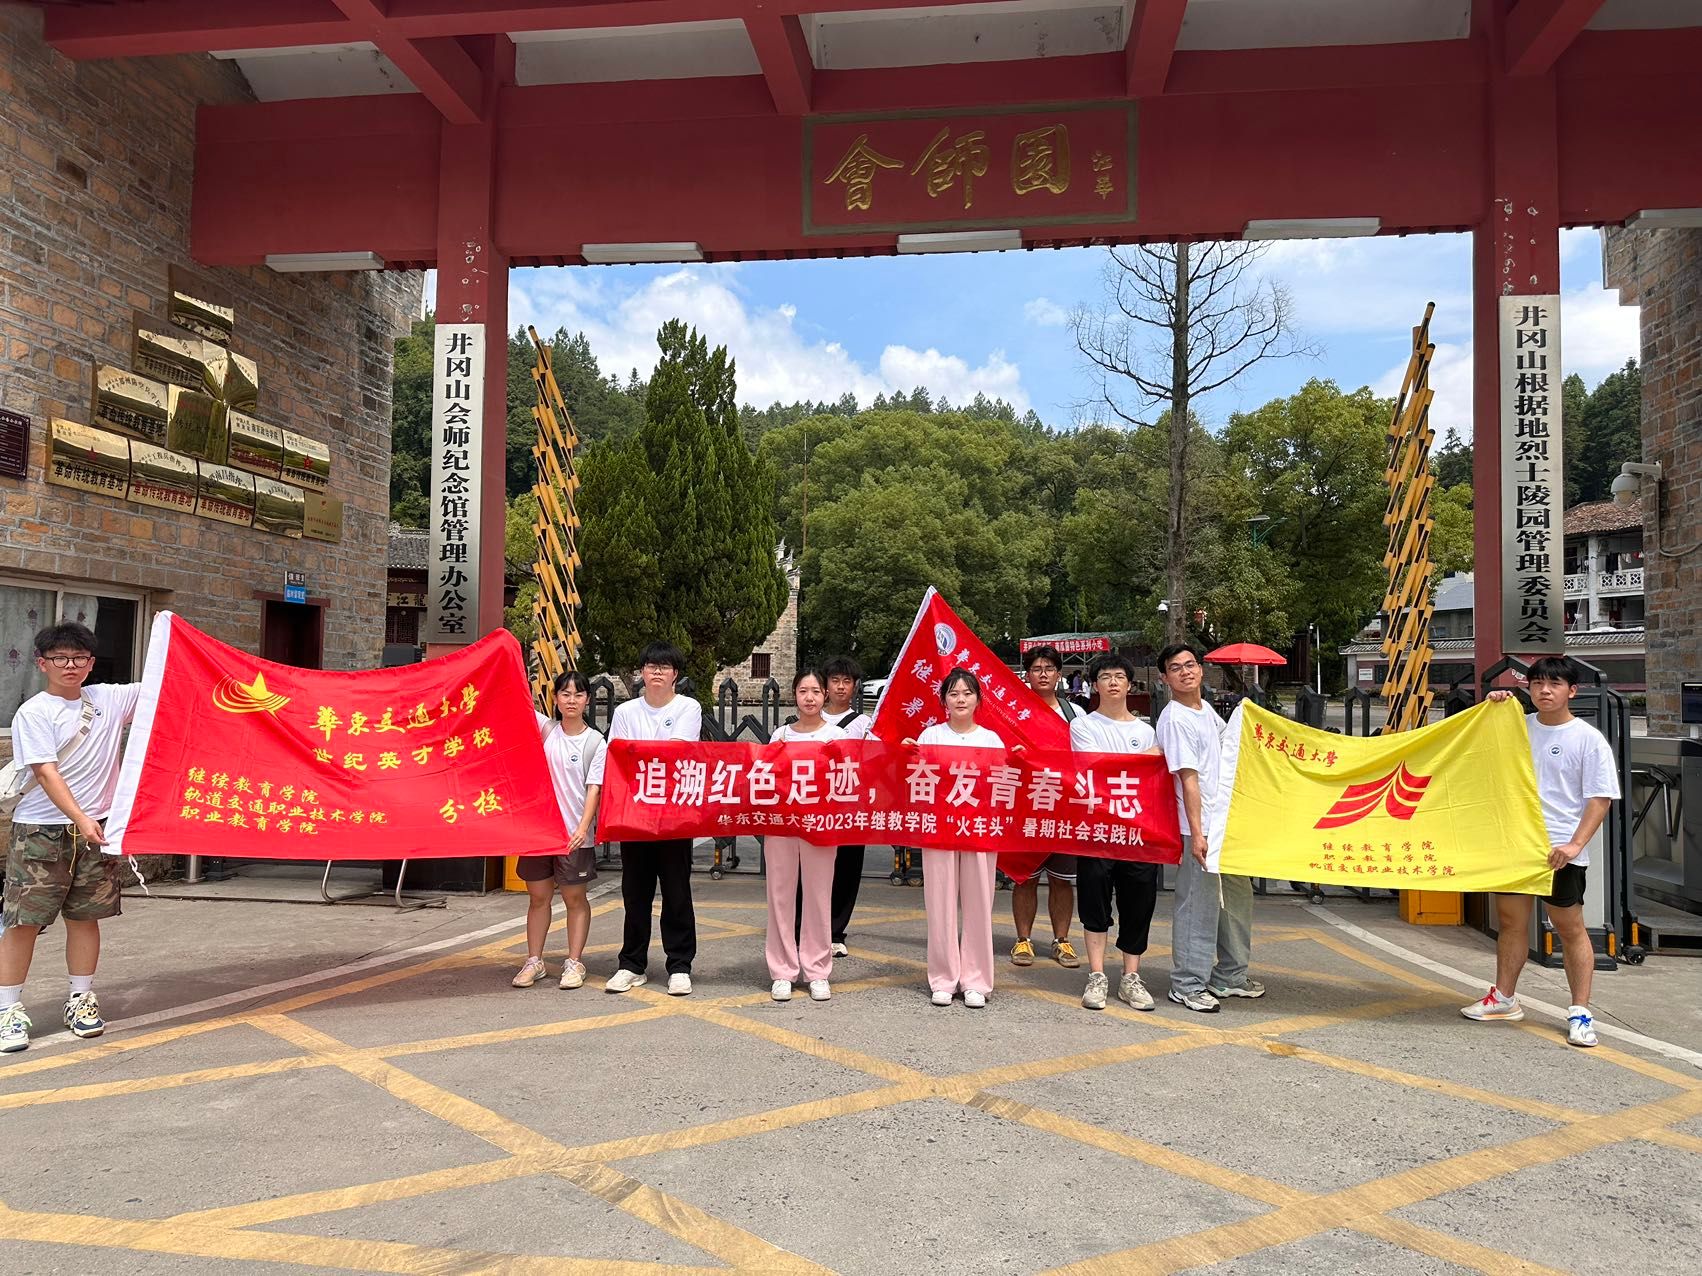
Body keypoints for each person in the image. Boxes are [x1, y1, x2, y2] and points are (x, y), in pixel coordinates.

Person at [1464, 658, 1621, 1047]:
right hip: (1518, 845)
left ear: (1572, 691)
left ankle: (1580, 1012)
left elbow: (1600, 799)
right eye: (1537, 684)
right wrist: (1494, 707)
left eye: (1554, 684)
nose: (1545, 691)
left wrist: (1575, 845)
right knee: (1511, 923)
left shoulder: (1587, 739)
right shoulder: (1519, 727)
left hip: (1559, 850)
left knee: (1570, 928)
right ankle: (1504, 998)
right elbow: (1477, 746)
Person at [2, 623, 142, 1053]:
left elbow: (166, 681)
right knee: (25, 921)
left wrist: (167, 625)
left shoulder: (109, 699)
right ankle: (7, 1010)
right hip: (41, 832)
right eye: (60, 658)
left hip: (94, 829)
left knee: (85, 917)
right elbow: (46, 772)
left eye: (79, 658)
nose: (70, 666)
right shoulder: (34, 712)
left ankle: (80, 999)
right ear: (42, 663)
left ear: (91, 663)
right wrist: (80, 818)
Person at [1158, 642, 1262, 1013]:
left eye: (1190, 664)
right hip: (1198, 827)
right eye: (1175, 668)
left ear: (1201, 670)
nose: (1185, 672)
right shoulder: (1175, 719)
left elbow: (1229, 751)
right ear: (1165, 678)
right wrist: (1198, 834)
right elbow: (1188, 779)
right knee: (1198, 906)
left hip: (1223, 823)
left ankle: (1230, 975)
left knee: (1235, 900)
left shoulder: (1205, 711)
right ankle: (1187, 984)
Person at [605, 643, 703, 996]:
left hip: (674, 815)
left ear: (675, 673)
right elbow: (618, 755)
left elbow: (678, 753)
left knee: (677, 892)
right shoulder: (626, 711)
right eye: (650, 666)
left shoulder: (688, 707)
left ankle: (680, 965)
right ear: (642, 672)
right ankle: (631, 964)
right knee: (636, 893)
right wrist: (643, 753)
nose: (657, 672)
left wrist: (639, 751)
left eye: (664, 666)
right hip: (635, 814)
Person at [906, 669, 1005, 1008]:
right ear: (944, 701)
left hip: (979, 831)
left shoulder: (991, 740)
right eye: (953, 693)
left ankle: (976, 980)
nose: (961, 699)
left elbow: (1002, 787)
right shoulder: (930, 736)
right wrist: (907, 756)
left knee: (979, 905)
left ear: (978, 699)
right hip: (940, 831)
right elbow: (917, 783)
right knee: (940, 904)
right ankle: (943, 978)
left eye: (967, 693)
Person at [1070, 653, 1162, 1012]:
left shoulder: (1145, 731)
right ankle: (1096, 975)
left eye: (1119, 676)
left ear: (1129, 684)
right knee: (1094, 902)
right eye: (1105, 676)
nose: (1112, 682)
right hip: (1096, 828)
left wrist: (1140, 761)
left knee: (1139, 902)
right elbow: (1096, 768)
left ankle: (1130, 978)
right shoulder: (1083, 726)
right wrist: (1145, 759)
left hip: (1138, 831)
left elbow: (1145, 779)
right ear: (1095, 685)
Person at [512, 671, 607, 991]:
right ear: (555, 699)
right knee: (538, 898)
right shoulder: (546, 730)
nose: (571, 700)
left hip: (573, 835)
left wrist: (582, 827)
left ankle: (574, 962)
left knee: (574, 898)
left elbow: (594, 788)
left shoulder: (595, 742)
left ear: (587, 700)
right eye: (565, 694)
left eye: (578, 695)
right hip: (540, 833)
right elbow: (515, 703)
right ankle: (534, 961)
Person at [767, 669, 843, 1002]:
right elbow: (767, 777)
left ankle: (817, 970)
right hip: (782, 825)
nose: (809, 697)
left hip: (821, 826)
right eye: (803, 691)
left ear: (825, 695)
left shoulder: (836, 735)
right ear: (794, 695)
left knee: (818, 895)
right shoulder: (780, 735)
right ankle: (782, 970)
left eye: (815, 691)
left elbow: (845, 780)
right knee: (780, 896)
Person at [1008, 644, 1084, 970]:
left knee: (1062, 879)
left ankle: (1061, 940)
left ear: (1058, 674)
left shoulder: (1074, 714)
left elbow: (1087, 758)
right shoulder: (1014, 712)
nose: (1043, 674)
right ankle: (1023, 939)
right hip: (1025, 807)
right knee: (1024, 877)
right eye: (1036, 669)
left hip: (1064, 808)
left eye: (1049, 669)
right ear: (1027, 675)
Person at [817, 655, 872, 957]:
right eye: (835, 680)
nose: (840, 686)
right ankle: (810, 928)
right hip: (816, 808)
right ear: (825, 685)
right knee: (814, 870)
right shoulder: (810, 718)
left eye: (846, 681)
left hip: (851, 808)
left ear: (854, 686)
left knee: (846, 870)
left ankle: (836, 931)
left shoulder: (864, 724)